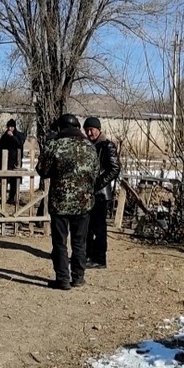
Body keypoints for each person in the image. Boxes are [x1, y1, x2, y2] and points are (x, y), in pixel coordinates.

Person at [35, 114, 99, 290]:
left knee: (60, 242)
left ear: (60, 128)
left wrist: (48, 145)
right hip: (83, 203)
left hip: (60, 203)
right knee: (79, 242)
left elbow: (42, 170)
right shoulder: (89, 146)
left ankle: (63, 279)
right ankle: (78, 277)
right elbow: (95, 172)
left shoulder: (55, 145)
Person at [82, 116, 121, 269]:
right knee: (87, 227)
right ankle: (88, 255)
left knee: (98, 228)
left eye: (91, 130)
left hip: (101, 194)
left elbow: (115, 168)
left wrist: (98, 183)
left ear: (98, 130)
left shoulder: (107, 146)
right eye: (86, 130)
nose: (89, 133)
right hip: (89, 193)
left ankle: (99, 259)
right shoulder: (87, 145)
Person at [0, 119, 26, 204]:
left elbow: (19, 144)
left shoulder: (19, 135)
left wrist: (13, 137)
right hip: (5, 160)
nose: (10, 128)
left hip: (15, 160)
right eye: (9, 127)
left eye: (12, 127)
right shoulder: (4, 136)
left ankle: (12, 197)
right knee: (4, 178)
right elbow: (0, 148)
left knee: (14, 180)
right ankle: (3, 196)